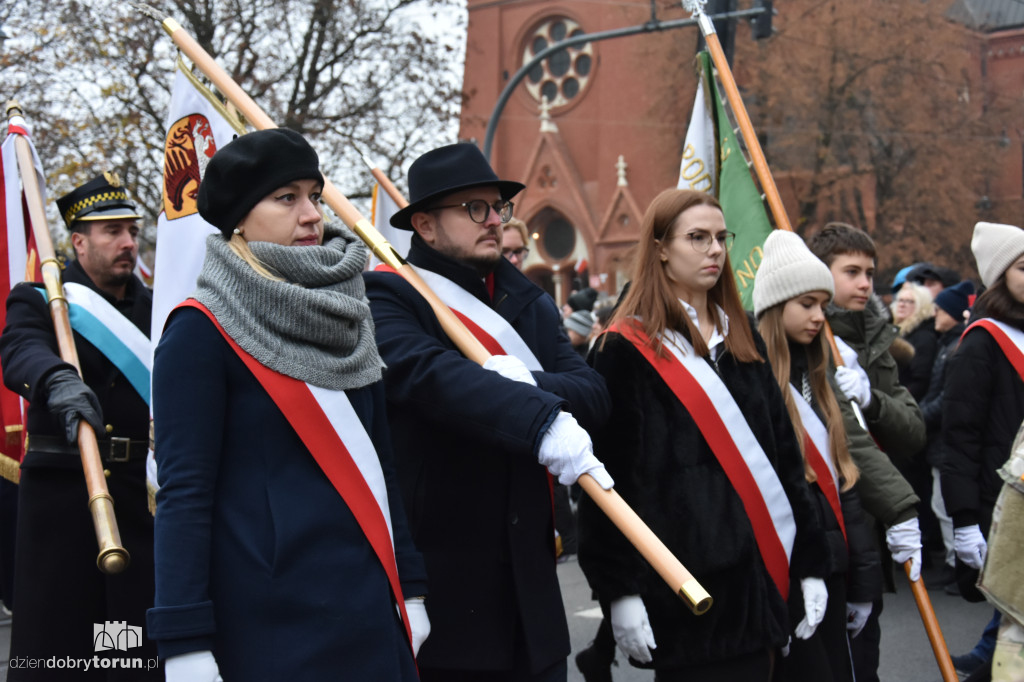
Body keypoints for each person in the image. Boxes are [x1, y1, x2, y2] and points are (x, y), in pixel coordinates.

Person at [146, 129, 428, 681]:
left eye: (315, 195)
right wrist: (183, 638)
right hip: (273, 628)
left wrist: (411, 587)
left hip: (372, 609)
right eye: (286, 197)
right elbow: (184, 493)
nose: (311, 215)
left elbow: (382, 466)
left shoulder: (349, 310)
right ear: (239, 218)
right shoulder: (199, 331)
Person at [363, 142, 612, 681]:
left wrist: (527, 382)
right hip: (450, 585)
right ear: (425, 226)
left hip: (534, 590)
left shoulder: (529, 301)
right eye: (474, 208)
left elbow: (591, 391)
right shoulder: (390, 297)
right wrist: (534, 407)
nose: (494, 220)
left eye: (498, 207)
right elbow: (430, 377)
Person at [579, 189, 827, 680]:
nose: (715, 249)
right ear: (661, 248)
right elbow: (606, 487)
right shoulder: (621, 350)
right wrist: (620, 591)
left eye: (720, 237)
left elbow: (783, 459)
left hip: (764, 582)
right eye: (697, 238)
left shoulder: (743, 336)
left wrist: (810, 561)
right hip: (688, 594)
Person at [0, 174, 159, 680]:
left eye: (131, 230)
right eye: (111, 231)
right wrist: (54, 378)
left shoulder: (160, 308)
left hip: (137, 499)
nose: (128, 243)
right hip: (64, 505)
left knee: (124, 645)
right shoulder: (41, 300)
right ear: (78, 241)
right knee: (60, 650)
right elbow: (19, 349)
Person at [753, 230, 882, 682]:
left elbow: (845, 486)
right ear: (775, 305)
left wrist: (864, 584)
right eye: (806, 304)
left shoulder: (819, 377)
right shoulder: (753, 383)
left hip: (835, 568)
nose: (818, 317)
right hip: (789, 571)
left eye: (822, 306)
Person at [808, 222, 926, 682]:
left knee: (864, 661)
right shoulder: (809, 337)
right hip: (832, 523)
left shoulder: (877, 337)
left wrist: (872, 400)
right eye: (851, 271)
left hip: (869, 524)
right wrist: (902, 508)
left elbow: (913, 431)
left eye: (870, 273)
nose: (864, 284)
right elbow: (842, 443)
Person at [942, 222, 1024, 677]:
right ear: (999, 276)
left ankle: (984, 657)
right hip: (1007, 501)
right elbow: (960, 436)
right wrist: (965, 520)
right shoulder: (983, 342)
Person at [918, 280, 975, 595]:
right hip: (940, 442)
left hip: (945, 443)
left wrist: (917, 418)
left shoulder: (955, 348)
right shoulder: (946, 345)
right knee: (941, 506)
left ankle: (959, 566)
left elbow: (945, 399)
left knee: (945, 506)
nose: (934, 313)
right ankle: (955, 564)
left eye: (940, 309)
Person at [891, 282, 938, 402]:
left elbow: (921, 380)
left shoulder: (924, 336)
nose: (902, 305)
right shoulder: (898, 330)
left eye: (909, 301)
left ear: (922, 306)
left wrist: (901, 403)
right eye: (900, 300)